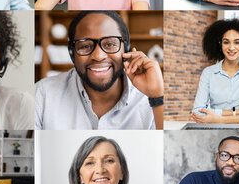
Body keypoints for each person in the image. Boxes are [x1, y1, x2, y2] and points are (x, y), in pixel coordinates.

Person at [35, 11, 163, 130]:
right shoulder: (43, 94)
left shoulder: (151, 96)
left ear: (126, 49)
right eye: (85, 46)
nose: (98, 56)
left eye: (110, 44)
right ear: (72, 53)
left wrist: (157, 97)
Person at [191, 18, 239, 124]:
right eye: (226, 42)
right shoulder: (208, 73)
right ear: (220, 44)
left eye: (237, 42)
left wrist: (218, 119)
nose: (231, 48)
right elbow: (197, 113)